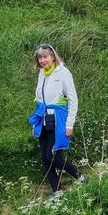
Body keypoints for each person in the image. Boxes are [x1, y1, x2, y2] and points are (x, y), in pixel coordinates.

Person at [27, 44, 83, 194]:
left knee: (52, 155)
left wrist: (70, 124)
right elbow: (39, 100)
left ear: (53, 57)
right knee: (45, 158)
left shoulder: (63, 73)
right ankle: (57, 191)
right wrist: (35, 125)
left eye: (45, 57)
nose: (42, 60)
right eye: (40, 58)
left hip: (57, 119)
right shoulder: (41, 74)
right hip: (43, 119)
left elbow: (73, 99)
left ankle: (79, 177)